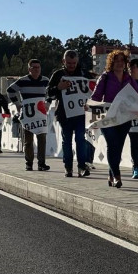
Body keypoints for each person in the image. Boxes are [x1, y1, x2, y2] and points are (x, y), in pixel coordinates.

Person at [90, 49, 138, 188]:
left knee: (117, 147)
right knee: (112, 144)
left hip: (124, 118)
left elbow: (137, 95)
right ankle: (117, 176)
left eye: (122, 60)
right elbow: (95, 97)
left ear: (125, 63)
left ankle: (111, 174)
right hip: (108, 117)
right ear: (111, 63)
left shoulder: (129, 78)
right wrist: (90, 107)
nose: (119, 63)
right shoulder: (105, 77)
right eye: (116, 60)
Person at [47, 50, 91, 178]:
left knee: (80, 139)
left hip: (81, 113)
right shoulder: (58, 74)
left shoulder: (84, 73)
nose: (72, 65)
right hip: (64, 114)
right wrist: (58, 88)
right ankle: (68, 167)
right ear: (63, 61)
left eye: (74, 63)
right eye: (69, 63)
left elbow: (93, 89)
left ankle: (82, 166)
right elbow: (49, 92)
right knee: (67, 141)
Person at [7, 59, 50, 171]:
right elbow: (10, 90)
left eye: (38, 67)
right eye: (34, 67)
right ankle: (29, 163)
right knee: (28, 141)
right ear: (29, 69)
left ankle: (41, 163)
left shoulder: (45, 80)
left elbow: (51, 92)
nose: (36, 69)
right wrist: (17, 103)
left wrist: (48, 103)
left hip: (40, 114)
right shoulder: (23, 81)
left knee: (42, 139)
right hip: (28, 115)